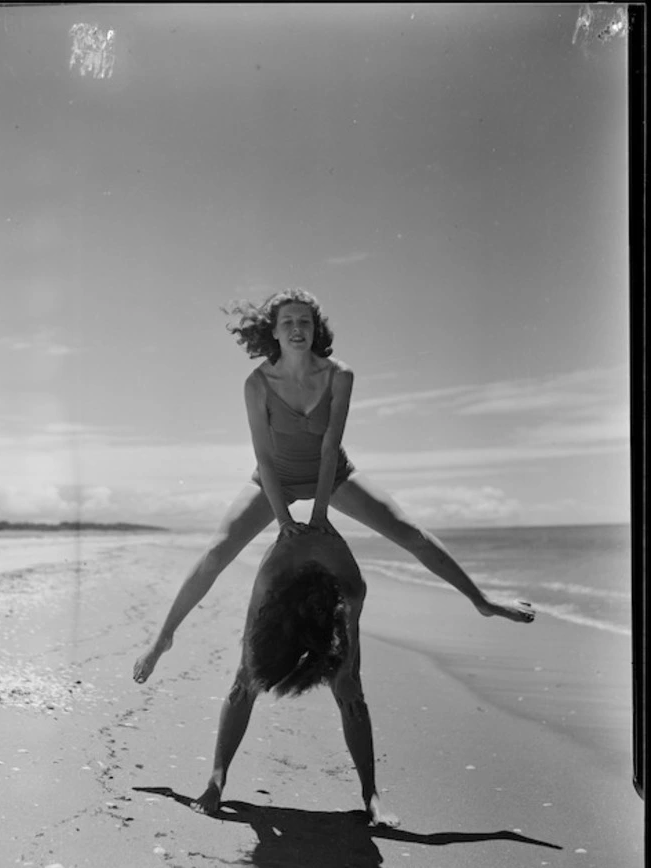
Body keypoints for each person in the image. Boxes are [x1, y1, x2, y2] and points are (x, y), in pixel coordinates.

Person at [133, 288, 534, 685]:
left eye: (304, 321)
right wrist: (285, 519)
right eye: (287, 322)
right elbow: (265, 457)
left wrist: (321, 511)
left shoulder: (339, 375)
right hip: (277, 477)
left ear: (315, 328)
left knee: (411, 533)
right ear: (273, 331)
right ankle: (164, 636)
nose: (296, 329)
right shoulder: (256, 384)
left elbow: (329, 446)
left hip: (335, 473)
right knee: (218, 550)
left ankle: (481, 601)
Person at [190, 526, 401, 828]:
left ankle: (371, 795)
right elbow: (252, 653)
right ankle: (216, 778)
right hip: (284, 583)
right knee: (244, 681)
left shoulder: (349, 588)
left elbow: (349, 632)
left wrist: (345, 673)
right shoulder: (269, 586)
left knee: (351, 691)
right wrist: (159, 643)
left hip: (330, 584)